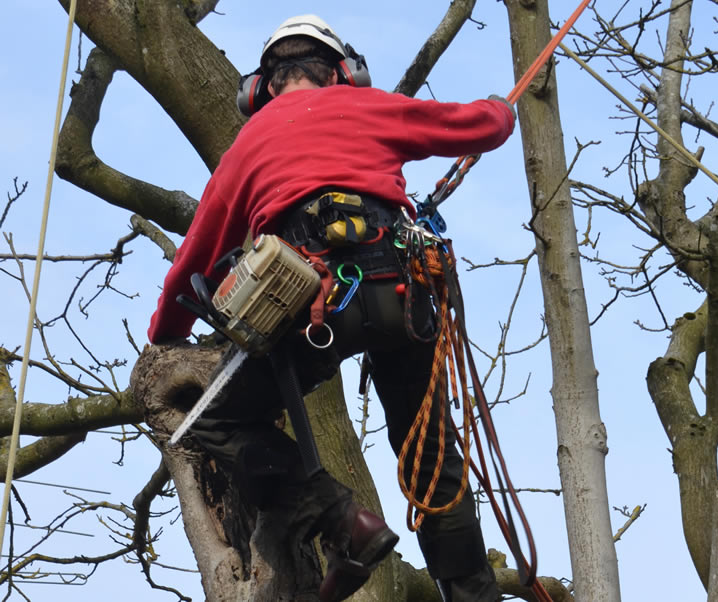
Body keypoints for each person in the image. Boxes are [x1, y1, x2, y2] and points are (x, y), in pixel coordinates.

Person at [146, 14, 516, 602]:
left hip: (308, 307)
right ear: (344, 73)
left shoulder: (248, 145)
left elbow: (196, 255)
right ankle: (473, 593)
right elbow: (476, 125)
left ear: (259, 89)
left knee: (212, 421)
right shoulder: (372, 108)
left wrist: (164, 333)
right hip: (402, 293)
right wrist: (501, 109)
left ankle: (342, 519)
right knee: (430, 453)